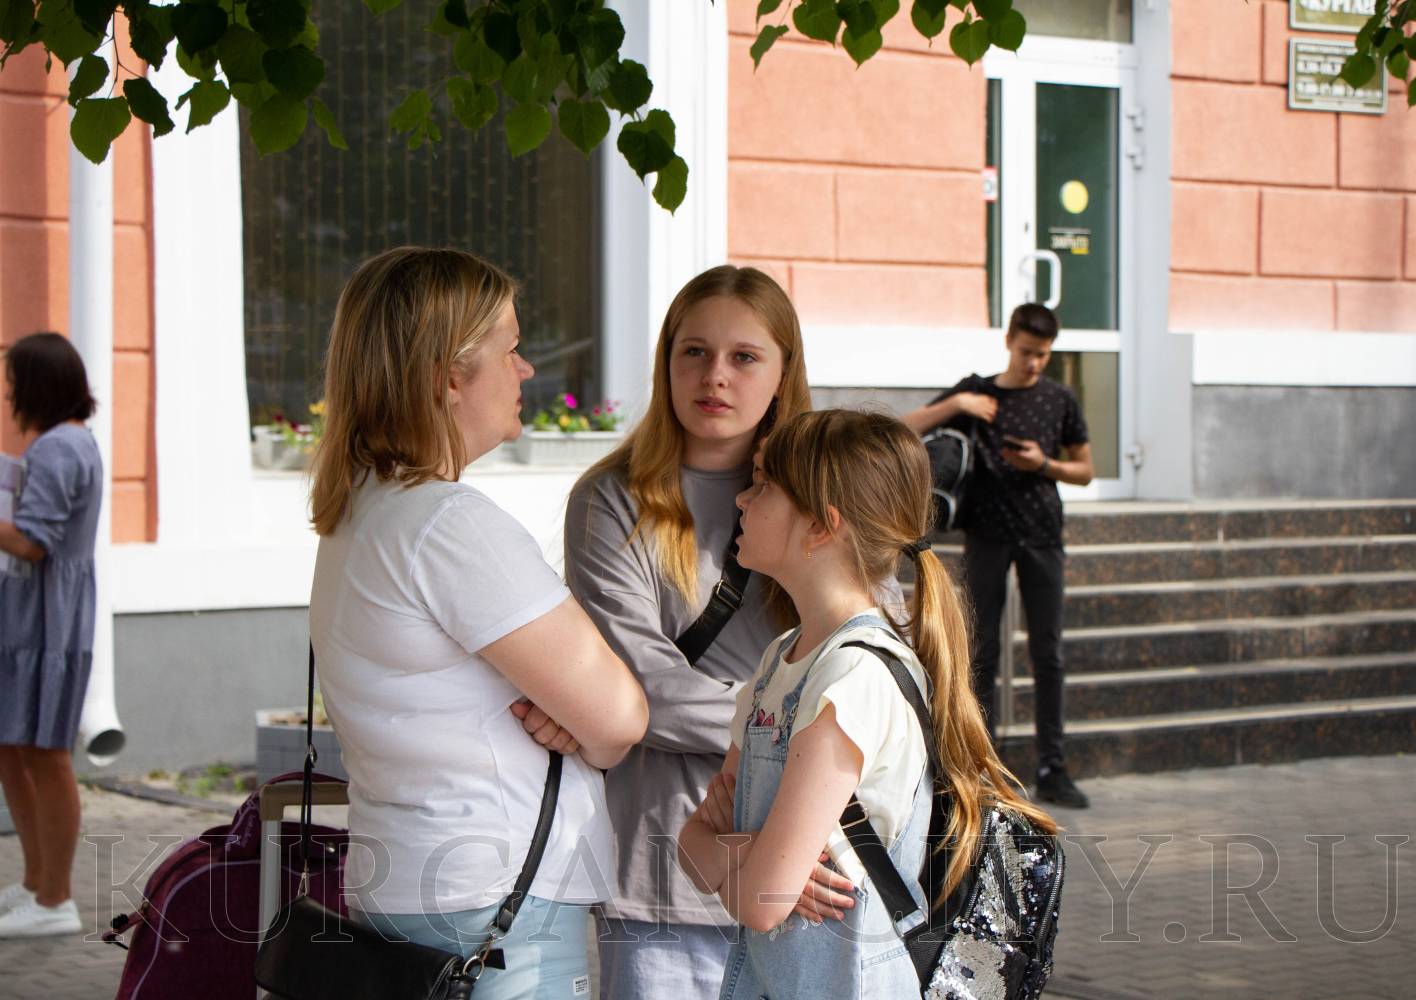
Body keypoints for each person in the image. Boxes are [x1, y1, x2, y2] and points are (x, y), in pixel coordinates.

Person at [307, 246, 648, 999]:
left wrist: (571, 715)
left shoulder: (364, 511)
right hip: (493, 902)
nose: (526, 369)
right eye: (510, 349)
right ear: (448, 377)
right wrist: (581, 723)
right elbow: (619, 718)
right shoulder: (449, 525)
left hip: (412, 880)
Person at [678, 409, 1058, 999]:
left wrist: (737, 858)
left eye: (763, 485)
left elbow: (760, 901)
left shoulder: (853, 677)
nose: (742, 500)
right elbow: (690, 847)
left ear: (820, 525)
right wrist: (752, 860)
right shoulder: (780, 658)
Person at [563, 265, 812, 999]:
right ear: (666, 362)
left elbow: (864, 659)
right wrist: (806, 725)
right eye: (694, 351)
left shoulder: (825, 498)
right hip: (664, 873)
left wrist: (812, 723)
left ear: (783, 372)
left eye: (744, 356)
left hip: (802, 861)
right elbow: (642, 692)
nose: (715, 376)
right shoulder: (612, 500)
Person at [902, 302, 1094, 809]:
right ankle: (981, 768)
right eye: (1027, 351)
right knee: (981, 651)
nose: (1034, 363)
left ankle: (1053, 768)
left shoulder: (1059, 399)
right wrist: (958, 404)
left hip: (1042, 533)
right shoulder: (977, 391)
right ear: (1009, 340)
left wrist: (1044, 464)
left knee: (1048, 653)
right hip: (987, 533)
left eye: (1043, 355)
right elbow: (906, 427)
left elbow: (1086, 471)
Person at [0, 332, 103, 938]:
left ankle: (55, 899)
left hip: (47, 625)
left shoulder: (59, 447)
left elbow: (32, 543)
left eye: (14, 383)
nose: (9, 395)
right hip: (32, 621)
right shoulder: (64, 442)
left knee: (45, 751)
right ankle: (37, 883)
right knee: (15, 745)